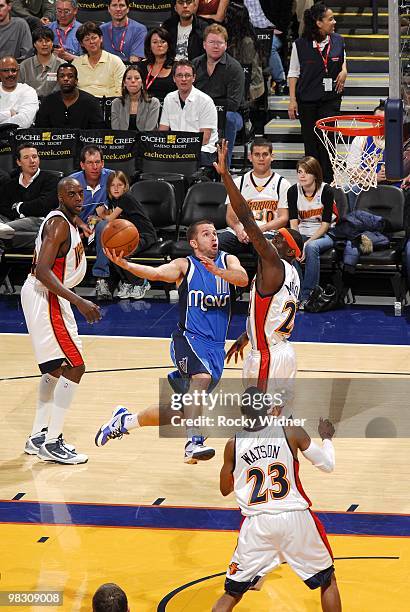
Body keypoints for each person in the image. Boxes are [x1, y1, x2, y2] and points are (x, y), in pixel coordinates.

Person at [95, 219, 248, 463]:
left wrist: (219, 272)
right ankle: (193, 442)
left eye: (215, 233)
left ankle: (124, 421)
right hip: (188, 340)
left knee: (177, 412)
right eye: (207, 234)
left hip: (215, 349)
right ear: (194, 243)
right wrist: (125, 264)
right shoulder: (184, 265)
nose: (214, 238)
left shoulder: (228, 261)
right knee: (202, 378)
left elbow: (242, 279)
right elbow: (155, 273)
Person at [212, 388, 342, 612]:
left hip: (257, 524)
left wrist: (245, 466)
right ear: (268, 409)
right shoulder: (290, 431)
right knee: (327, 580)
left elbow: (225, 489)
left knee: (232, 593)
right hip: (294, 518)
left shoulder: (233, 444)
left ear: (243, 413)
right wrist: (327, 439)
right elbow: (327, 466)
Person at [215, 139, 302, 405]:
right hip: (278, 349)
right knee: (276, 418)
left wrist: (226, 176)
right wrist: (247, 336)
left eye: (279, 240)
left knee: (257, 421)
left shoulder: (274, 263)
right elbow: (272, 312)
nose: (273, 240)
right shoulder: (290, 274)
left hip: (268, 357)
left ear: (288, 251)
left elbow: (247, 219)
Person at [21, 177, 101, 464]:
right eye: (72, 194)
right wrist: (79, 300)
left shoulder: (69, 221)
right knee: (75, 365)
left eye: (80, 193)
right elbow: (42, 270)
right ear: (60, 196)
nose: (79, 198)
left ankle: (37, 436)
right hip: (48, 295)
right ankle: (53, 442)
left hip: (54, 295)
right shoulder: (57, 224)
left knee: (55, 369)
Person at [287, 2, 347, 183]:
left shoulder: (338, 40)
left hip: (330, 99)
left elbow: (343, 59)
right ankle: (312, 181)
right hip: (307, 100)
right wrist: (292, 100)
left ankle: (329, 181)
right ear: (318, 23)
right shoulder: (300, 44)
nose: (334, 22)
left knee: (328, 141)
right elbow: (293, 73)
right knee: (311, 143)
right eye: (330, 19)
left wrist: (344, 71)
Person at [91, 170, 157, 301]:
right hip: (129, 235)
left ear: (125, 186)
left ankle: (141, 282)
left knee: (121, 252)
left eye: (119, 185)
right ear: (108, 187)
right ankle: (127, 281)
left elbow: (110, 219)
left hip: (144, 235)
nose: (116, 188)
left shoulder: (126, 198)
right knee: (112, 251)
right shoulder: (114, 201)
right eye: (112, 185)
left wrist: (100, 215)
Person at [219, 138, 290, 256]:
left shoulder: (282, 183)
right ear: (250, 157)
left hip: (267, 232)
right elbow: (230, 216)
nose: (261, 158)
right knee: (215, 245)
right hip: (240, 232)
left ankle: (261, 275)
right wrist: (238, 229)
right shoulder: (238, 183)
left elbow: (283, 218)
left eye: (265, 154)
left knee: (265, 249)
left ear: (272, 157)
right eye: (257, 155)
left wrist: (257, 230)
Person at [193, 24, 245, 168]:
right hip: (199, 113)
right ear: (204, 45)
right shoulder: (195, 64)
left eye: (219, 43)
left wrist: (208, 109)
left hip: (229, 114)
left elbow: (234, 103)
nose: (215, 46)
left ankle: (224, 169)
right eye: (211, 42)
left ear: (226, 45)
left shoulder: (234, 68)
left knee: (229, 119)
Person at [288, 156, 337, 309]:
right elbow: (293, 222)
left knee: (311, 248)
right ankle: (296, 293)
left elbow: (326, 224)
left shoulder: (326, 190)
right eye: (299, 172)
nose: (302, 176)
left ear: (315, 174)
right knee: (290, 249)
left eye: (306, 172)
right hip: (302, 233)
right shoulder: (293, 191)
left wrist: (306, 243)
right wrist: (297, 243)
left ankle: (308, 295)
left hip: (325, 234)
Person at [0, 144, 59, 255]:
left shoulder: (51, 180)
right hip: (14, 223)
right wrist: (20, 213)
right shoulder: (11, 184)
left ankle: (3, 231)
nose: (32, 161)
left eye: (34, 156)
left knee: (27, 221)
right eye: (26, 157)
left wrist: (18, 207)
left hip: (38, 222)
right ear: (18, 162)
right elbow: (3, 207)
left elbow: (44, 206)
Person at [160, 59, 218, 168]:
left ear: (194, 78)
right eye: (179, 75)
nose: (183, 79)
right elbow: (163, 132)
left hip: (202, 149)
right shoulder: (169, 98)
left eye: (187, 75)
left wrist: (181, 149)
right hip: (176, 149)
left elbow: (205, 138)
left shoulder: (205, 101)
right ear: (173, 78)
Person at [35, 63, 105, 129]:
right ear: (58, 80)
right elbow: (41, 130)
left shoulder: (91, 102)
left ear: (76, 81)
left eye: (70, 76)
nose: (66, 79)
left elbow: (97, 132)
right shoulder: (48, 101)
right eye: (62, 76)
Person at [73, 21, 126, 99]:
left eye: (94, 38)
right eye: (87, 40)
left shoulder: (115, 61)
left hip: (107, 103)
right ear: (81, 44)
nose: (91, 42)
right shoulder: (76, 63)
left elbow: (121, 90)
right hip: (83, 104)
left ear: (101, 38)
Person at [225, 3, 264, 104]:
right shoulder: (233, 38)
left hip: (251, 86)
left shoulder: (247, 42)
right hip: (237, 81)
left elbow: (249, 71)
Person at [69, 145, 114, 223]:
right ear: (82, 165)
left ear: (102, 163)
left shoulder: (112, 177)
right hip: (76, 224)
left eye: (97, 162)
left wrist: (103, 219)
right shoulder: (71, 182)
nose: (95, 167)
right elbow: (65, 211)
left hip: (102, 224)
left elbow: (121, 205)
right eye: (90, 162)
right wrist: (82, 226)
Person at [111, 65, 160, 131]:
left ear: (142, 83)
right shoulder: (116, 103)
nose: (133, 81)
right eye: (129, 78)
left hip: (145, 140)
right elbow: (116, 131)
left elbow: (149, 132)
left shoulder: (153, 103)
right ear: (124, 83)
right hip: (122, 140)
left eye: (137, 78)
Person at [19, 26, 63, 98]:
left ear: (52, 44)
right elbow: (18, 89)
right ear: (34, 44)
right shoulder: (24, 65)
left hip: (54, 103)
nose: (44, 44)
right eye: (40, 41)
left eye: (47, 41)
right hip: (29, 104)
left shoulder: (62, 65)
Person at [137, 27, 176, 104]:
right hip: (145, 107)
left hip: (169, 108)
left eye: (163, 41)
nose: (159, 45)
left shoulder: (177, 67)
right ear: (149, 47)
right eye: (155, 42)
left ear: (168, 46)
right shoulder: (141, 66)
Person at [0, 56, 39, 127]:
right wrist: (9, 114)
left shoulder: (28, 91)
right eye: (5, 70)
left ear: (18, 72)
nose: (10, 74)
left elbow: (24, 121)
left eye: (14, 70)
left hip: (18, 136)